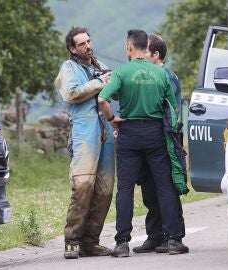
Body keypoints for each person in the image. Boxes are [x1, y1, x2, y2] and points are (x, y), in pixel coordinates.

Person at [98, 29, 189, 257]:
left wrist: (112, 119)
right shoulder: (161, 74)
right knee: (165, 186)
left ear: (129, 47)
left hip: (129, 134)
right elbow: (173, 108)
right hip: (156, 134)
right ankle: (174, 240)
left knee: (125, 189)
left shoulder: (121, 72)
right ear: (143, 47)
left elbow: (102, 99)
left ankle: (121, 243)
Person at [54, 27, 115, 259]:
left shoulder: (99, 66)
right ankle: (72, 240)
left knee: (105, 189)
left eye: (89, 41)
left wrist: (113, 80)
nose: (88, 46)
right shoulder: (68, 68)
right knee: (83, 187)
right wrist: (101, 82)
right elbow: (71, 94)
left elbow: (113, 92)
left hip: (106, 132)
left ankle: (91, 242)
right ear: (72, 49)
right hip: (83, 132)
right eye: (82, 44)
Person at [132, 34, 185, 254]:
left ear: (156, 55)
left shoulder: (166, 76)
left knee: (167, 189)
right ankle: (155, 236)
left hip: (165, 138)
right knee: (150, 190)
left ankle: (174, 237)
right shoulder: (147, 75)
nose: (141, 55)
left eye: (145, 51)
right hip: (149, 138)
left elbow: (169, 112)